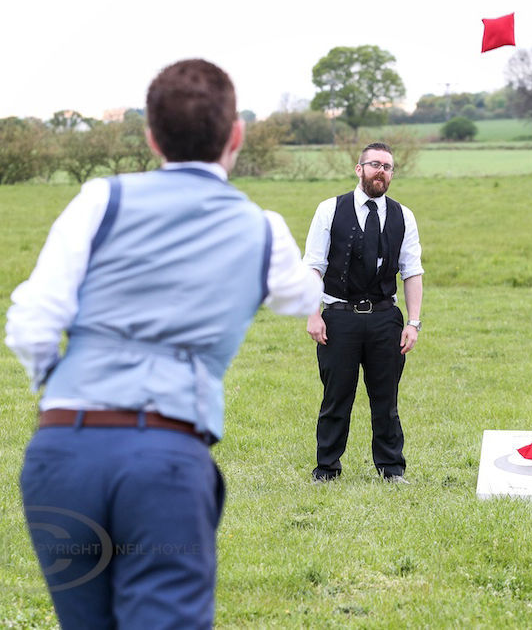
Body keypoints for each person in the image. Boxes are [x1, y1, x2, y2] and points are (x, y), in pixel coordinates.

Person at [6, 59, 322, 628]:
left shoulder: (102, 199)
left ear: (151, 137)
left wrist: (59, 387)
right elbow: (299, 297)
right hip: (165, 458)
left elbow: (31, 318)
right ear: (237, 135)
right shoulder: (262, 228)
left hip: (62, 454)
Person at [304, 142, 423, 483]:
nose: (381, 171)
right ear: (359, 169)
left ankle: (391, 469)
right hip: (339, 316)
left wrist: (413, 323)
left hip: (386, 317)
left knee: (385, 397)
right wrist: (314, 314)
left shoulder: (404, 215)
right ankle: (327, 469)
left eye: (387, 166)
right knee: (336, 396)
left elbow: (412, 271)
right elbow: (312, 266)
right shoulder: (330, 209)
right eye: (374, 164)